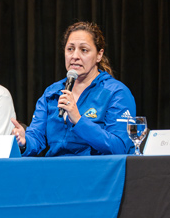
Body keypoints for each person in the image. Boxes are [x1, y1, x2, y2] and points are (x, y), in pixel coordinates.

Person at [11, 21, 136, 156]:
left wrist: (78, 119)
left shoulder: (116, 93)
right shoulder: (52, 93)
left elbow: (120, 147)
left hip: (96, 172)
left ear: (99, 55)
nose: (75, 56)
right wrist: (24, 142)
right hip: (55, 171)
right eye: (70, 49)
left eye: (84, 50)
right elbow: (36, 138)